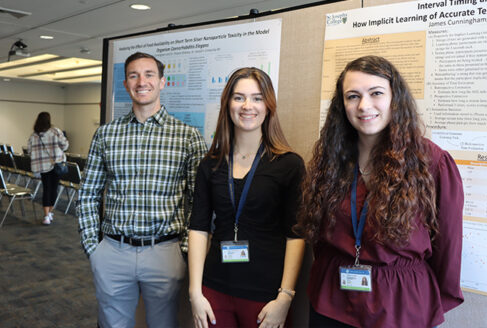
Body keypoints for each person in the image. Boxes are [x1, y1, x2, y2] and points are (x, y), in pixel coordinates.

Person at [296, 56, 464, 328]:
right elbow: (319, 234)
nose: (364, 106)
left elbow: (448, 246)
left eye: (376, 93)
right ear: (342, 105)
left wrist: (426, 299)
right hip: (332, 301)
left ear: (395, 98)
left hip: (399, 305)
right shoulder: (332, 157)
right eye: (353, 96)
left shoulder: (431, 162)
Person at [77, 52, 207, 328]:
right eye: (133, 75)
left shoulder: (188, 136)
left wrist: (183, 250)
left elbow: (199, 202)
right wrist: (94, 249)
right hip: (113, 250)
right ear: (125, 84)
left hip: (165, 252)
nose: (141, 81)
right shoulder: (106, 134)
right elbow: (87, 194)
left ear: (162, 82)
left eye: (149, 74)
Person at [188, 67, 306, 328]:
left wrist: (285, 297)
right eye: (239, 97)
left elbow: (295, 235)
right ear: (227, 103)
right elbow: (198, 228)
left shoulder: (288, 164)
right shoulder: (211, 165)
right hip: (215, 288)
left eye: (257, 98)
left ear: (269, 105)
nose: (247, 106)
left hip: (265, 295)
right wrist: (195, 293)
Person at [27, 112, 69, 225]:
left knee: (46, 189)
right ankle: (50, 213)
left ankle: (46, 216)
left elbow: (29, 150)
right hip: (55, 164)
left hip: (42, 167)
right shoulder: (55, 131)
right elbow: (65, 146)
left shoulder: (34, 135)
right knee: (54, 189)